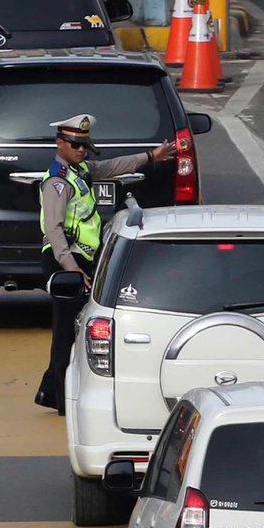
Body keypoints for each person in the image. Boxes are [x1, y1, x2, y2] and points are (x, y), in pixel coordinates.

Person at [34, 114, 173, 415]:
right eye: (74, 144)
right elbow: (53, 231)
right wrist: (71, 268)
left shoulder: (80, 170)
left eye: (84, 145)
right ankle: (60, 400)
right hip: (64, 262)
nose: (81, 150)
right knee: (66, 331)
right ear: (59, 143)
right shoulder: (58, 182)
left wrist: (151, 156)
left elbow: (113, 166)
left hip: (82, 260)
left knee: (76, 325)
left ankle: (49, 390)